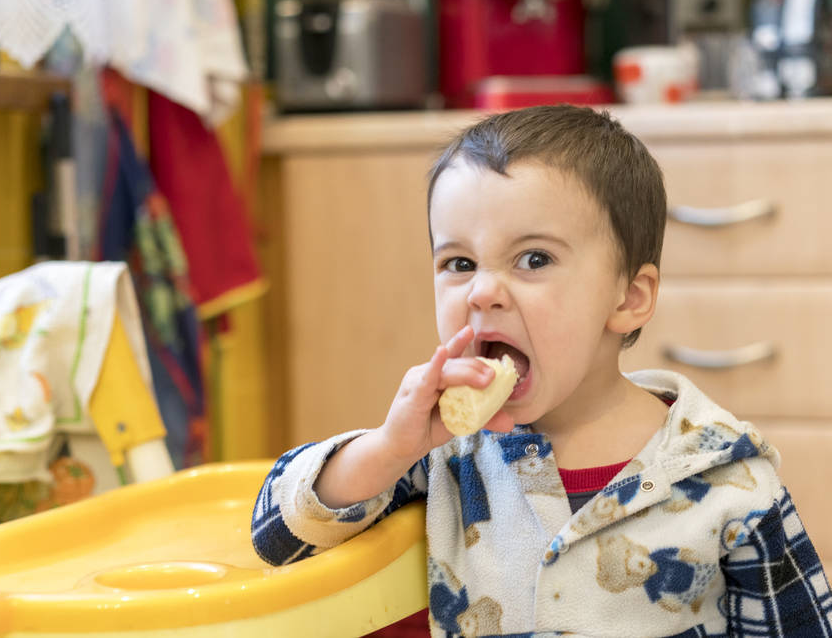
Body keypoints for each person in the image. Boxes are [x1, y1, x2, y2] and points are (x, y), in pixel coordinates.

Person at [250, 105, 832, 637]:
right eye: (459, 262)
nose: (482, 291)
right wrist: (387, 447)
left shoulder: (728, 479)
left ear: (628, 297)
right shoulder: (444, 456)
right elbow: (276, 538)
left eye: (534, 259)